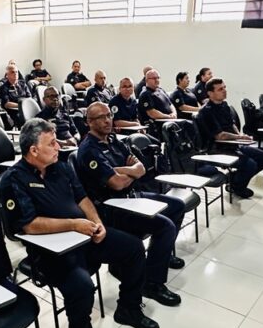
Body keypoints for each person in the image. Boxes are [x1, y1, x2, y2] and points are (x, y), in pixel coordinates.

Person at [0, 119, 160, 328]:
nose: (58, 146)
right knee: (82, 286)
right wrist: (74, 224)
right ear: (33, 151)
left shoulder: (60, 167)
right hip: (51, 252)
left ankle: (128, 307)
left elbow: (82, 198)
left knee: (133, 249)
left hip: (84, 236)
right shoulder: (12, 180)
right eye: (51, 143)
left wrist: (96, 222)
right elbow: (28, 225)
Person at [78, 102, 185, 304]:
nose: (107, 120)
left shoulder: (113, 140)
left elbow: (141, 167)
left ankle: (159, 256)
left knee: (176, 206)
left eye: (109, 115)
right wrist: (128, 173)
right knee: (165, 226)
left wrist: (120, 170)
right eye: (101, 117)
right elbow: (116, 185)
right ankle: (152, 283)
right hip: (112, 207)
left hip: (133, 196)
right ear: (89, 122)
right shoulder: (88, 151)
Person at [196, 78, 263, 199]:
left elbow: (232, 124)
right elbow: (220, 135)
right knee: (250, 164)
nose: (224, 91)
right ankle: (238, 187)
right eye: (220, 89)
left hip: (233, 144)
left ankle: (235, 180)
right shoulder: (206, 111)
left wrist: (240, 136)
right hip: (218, 148)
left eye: (225, 88)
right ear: (210, 93)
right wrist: (239, 137)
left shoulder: (224, 105)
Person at [0, 65, 31, 129]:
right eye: (13, 72)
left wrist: (26, 106)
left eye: (16, 72)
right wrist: (21, 106)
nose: (15, 74)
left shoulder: (23, 84)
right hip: (13, 111)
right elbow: (6, 104)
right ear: (7, 75)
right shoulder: (4, 87)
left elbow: (29, 97)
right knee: (24, 120)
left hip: (26, 108)